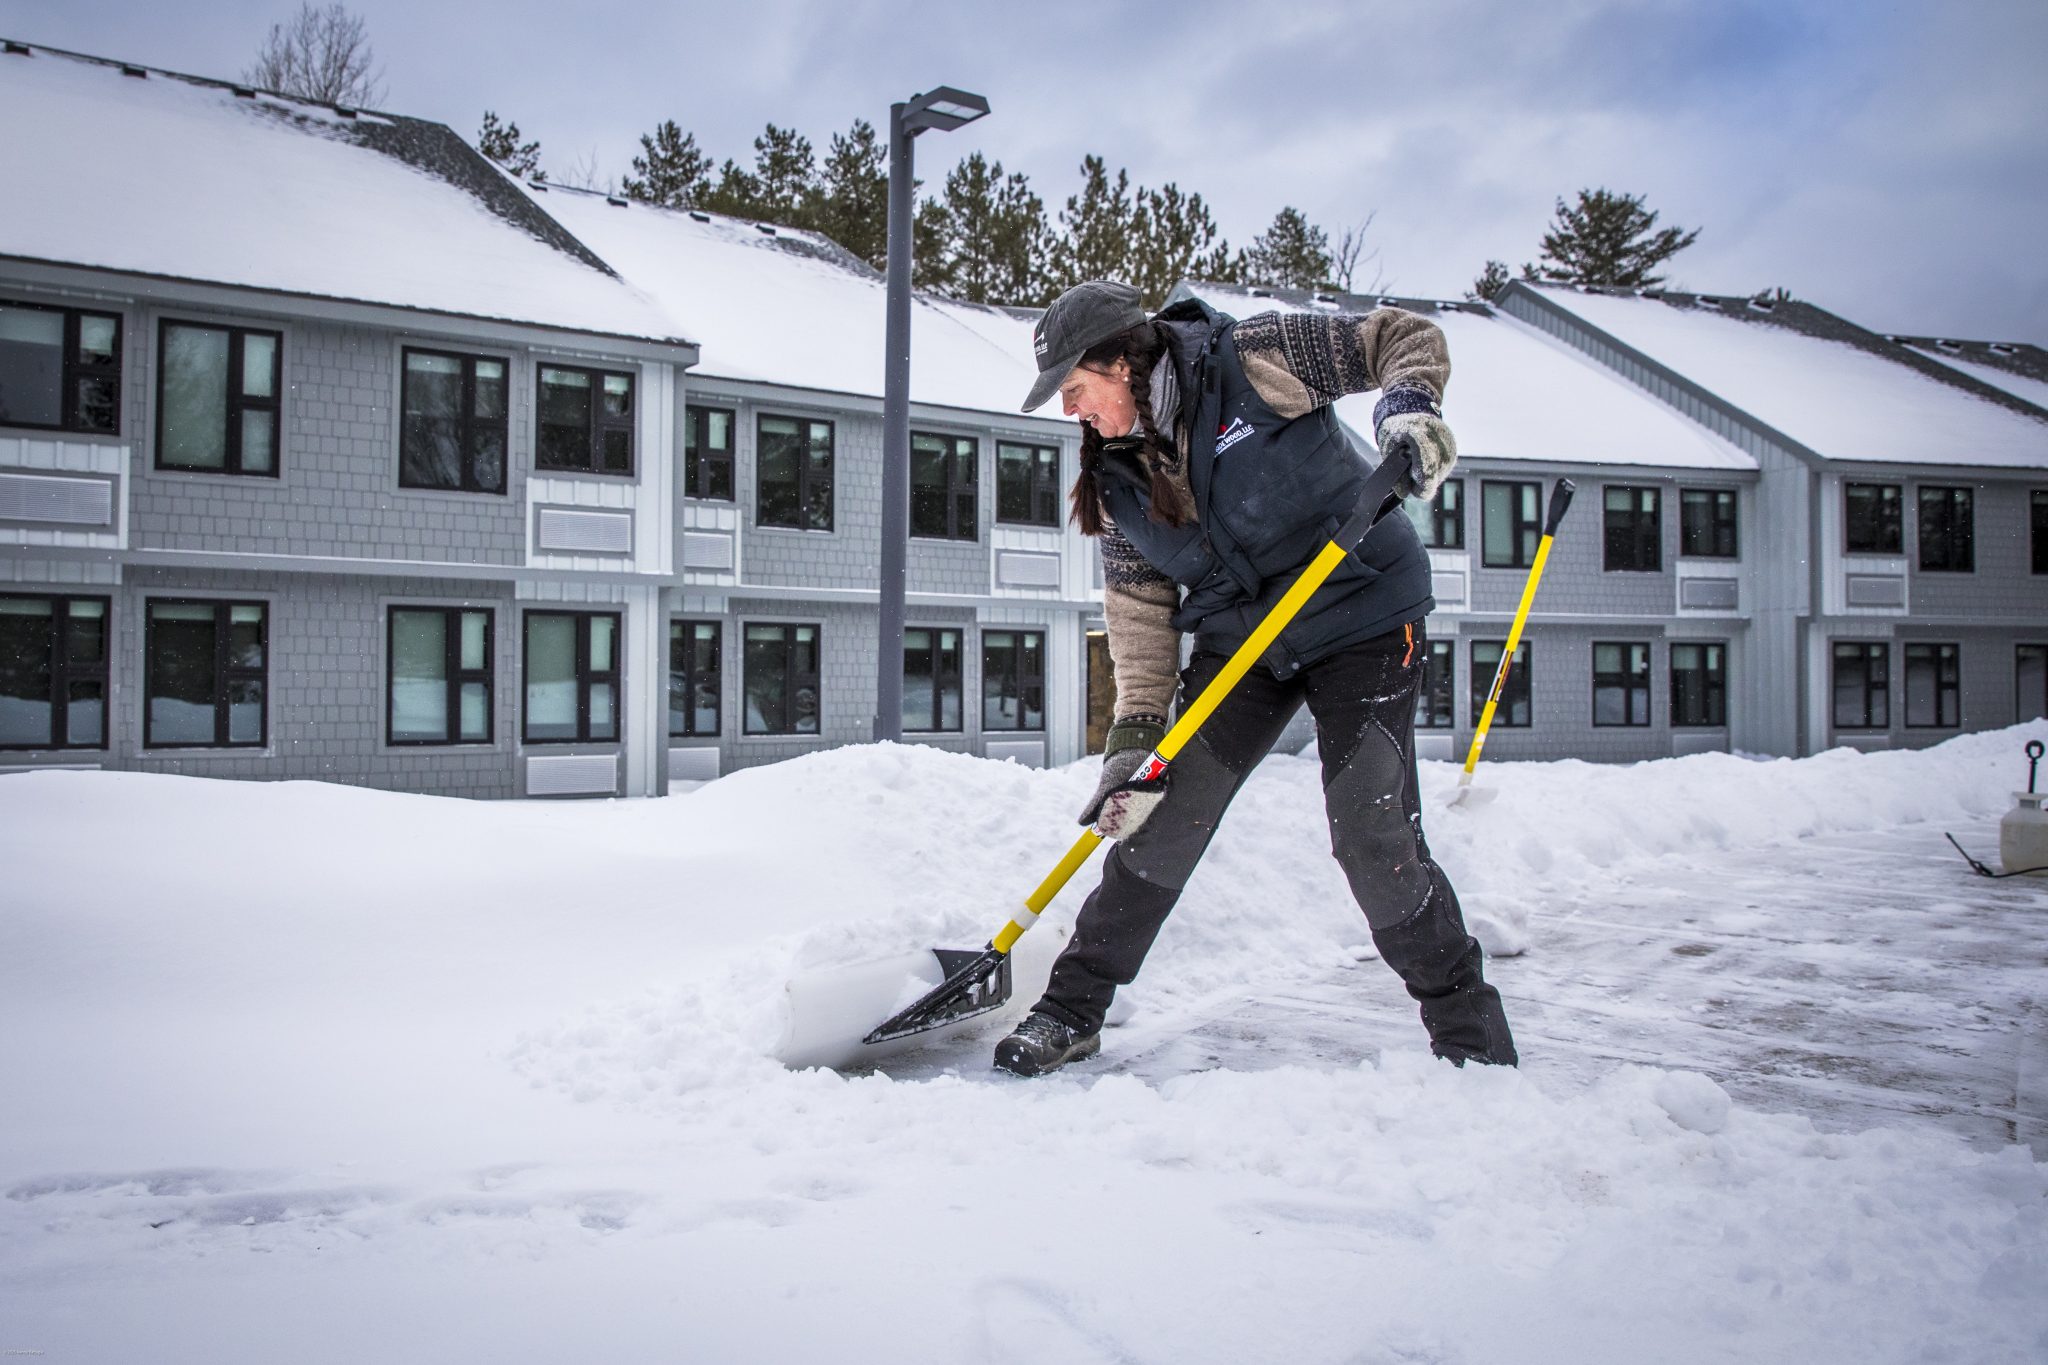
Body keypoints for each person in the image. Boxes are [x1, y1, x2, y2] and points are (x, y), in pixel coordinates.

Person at [994, 279, 1517, 1077]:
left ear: (1120, 363)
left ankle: (1470, 1034)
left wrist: (1409, 412)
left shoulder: (1249, 359)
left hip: (1363, 612)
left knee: (1371, 833)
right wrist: (1134, 746)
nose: (1072, 412)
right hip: (1245, 644)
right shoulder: (1117, 478)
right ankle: (1071, 1009)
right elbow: (1138, 617)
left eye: (1075, 390)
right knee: (1158, 820)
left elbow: (1399, 337)